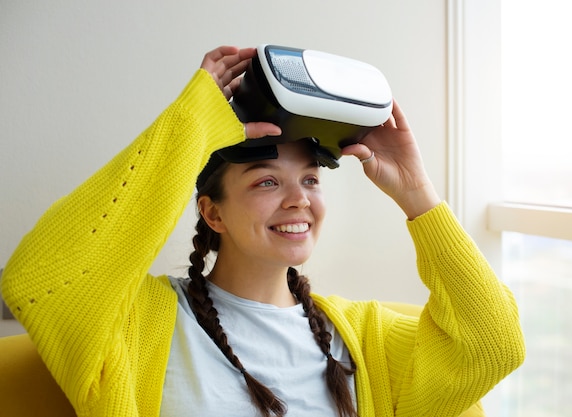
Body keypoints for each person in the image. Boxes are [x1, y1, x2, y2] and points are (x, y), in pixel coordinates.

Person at [1, 46, 525, 417]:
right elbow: (42, 279)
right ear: (213, 213)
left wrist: (416, 191)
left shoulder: (363, 338)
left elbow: (494, 345)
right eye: (267, 181)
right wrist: (193, 124)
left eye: (311, 180)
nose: (299, 198)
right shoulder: (140, 320)